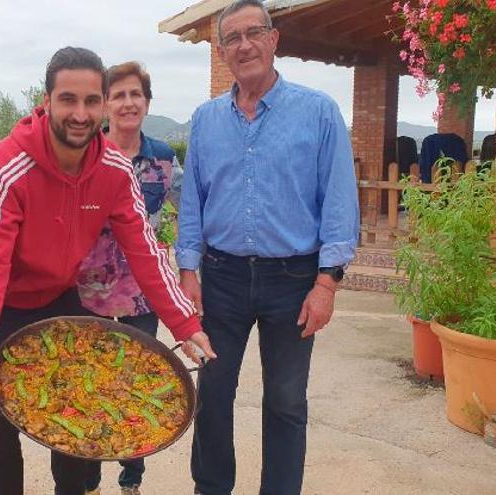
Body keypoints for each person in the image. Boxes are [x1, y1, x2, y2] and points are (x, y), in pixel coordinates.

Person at [0, 47, 216, 495]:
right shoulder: (6, 167)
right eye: (68, 99)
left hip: (61, 298)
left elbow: (146, 251)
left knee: (77, 414)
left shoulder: (113, 168)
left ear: (103, 104)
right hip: (5, 307)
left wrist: (186, 324)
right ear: (47, 99)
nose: (80, 113)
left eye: (91, 101)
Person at [175, 1, 360, 494]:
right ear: (222, 51)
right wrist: (188, 271)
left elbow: (339, 205)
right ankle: (211, 488)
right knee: (212, 392)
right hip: (221, 278)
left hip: (293, 280)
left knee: (285, 400)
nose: (245, 45)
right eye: (232, 38)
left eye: (254, 32)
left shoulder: (318, 112)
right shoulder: (205, 119)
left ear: (274, 40)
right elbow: (192, 201)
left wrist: (327, 283)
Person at [78, 61, 182, 495]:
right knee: (89, 384)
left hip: (142, 297)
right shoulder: (85, 154)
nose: (127, 103)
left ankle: (130, 478)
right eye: (117, 95)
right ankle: (86, 478)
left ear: (147, 102)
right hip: (87, 294)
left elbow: (191, 207)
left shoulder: (162, 157)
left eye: (134, 94)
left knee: (134, 383)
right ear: (104, 105)